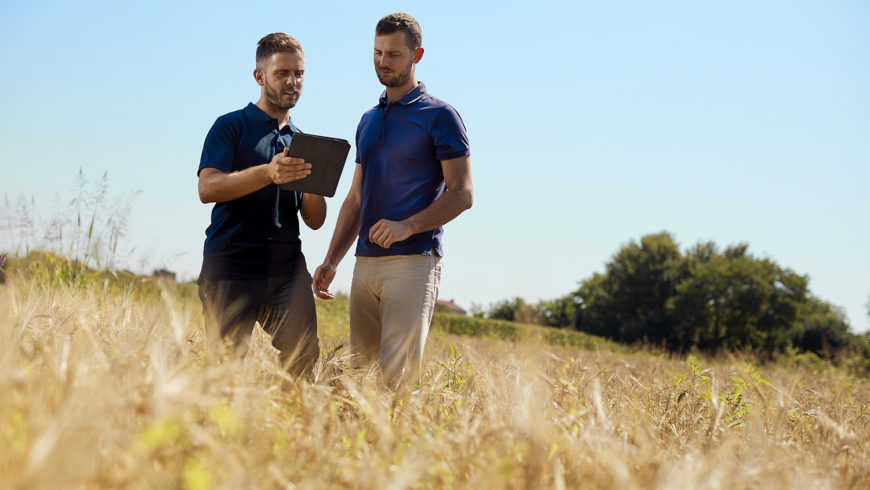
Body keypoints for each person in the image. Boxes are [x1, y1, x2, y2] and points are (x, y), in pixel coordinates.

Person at [313, 13, 473, 387]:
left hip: (413, 262)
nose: (383, 61)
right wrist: (331, 259)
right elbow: (356, 196)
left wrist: (408, 226)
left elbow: (462, 193)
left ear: (417, 54)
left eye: (394, 54)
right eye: (377, 52)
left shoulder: (441, 116)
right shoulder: (368, 119)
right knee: (360, 381)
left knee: (395, 384)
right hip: (365, 264)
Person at [197, 33, 325, 376]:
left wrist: (314, 183)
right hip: (231, 265)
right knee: (224, 371)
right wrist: (268, 173)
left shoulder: (303, 142)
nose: (292, 82)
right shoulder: (230, 127)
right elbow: (207, 188)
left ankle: (291, 427)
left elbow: (315, 221)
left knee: (304, 359)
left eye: (298, 74)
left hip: (286, 270)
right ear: (260, 76)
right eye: (282, 73)